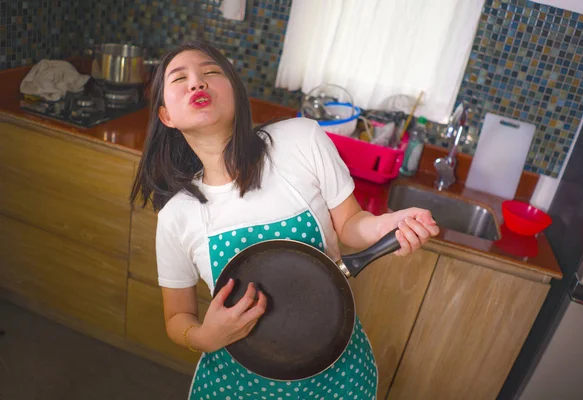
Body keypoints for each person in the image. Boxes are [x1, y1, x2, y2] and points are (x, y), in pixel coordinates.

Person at [130, 40, 439, 400]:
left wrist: (383, 226)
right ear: (166, 116)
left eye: (211, 72)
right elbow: (177, 316)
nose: (197, 82)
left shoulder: (300, 140)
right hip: (236, 386)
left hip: (337, 378)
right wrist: (203, 337)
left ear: (234, 91)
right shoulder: (177, 215)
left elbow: (351, 224)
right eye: (180, 79)